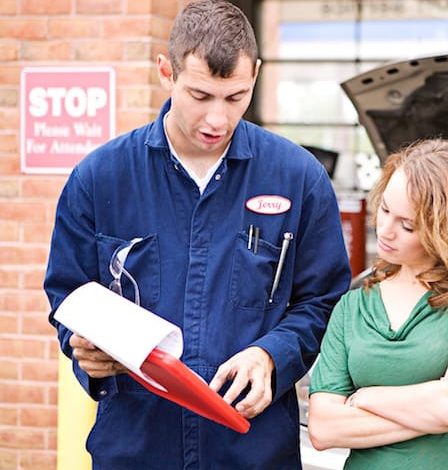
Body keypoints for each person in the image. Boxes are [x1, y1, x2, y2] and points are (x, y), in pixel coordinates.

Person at [44, 1, 351, 468]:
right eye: (201, 95)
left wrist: (272, 355)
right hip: (135, 448)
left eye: (235, 97)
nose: (217, 120)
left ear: (256, 75)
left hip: (254, 451)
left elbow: (324, 300)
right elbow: (68, 294)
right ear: (165, 72)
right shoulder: (99, 179)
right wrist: (83, 347)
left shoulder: (299, 179)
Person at [307, 138, 448, 469]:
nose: (384, 230)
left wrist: (371, 398)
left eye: (408, 225)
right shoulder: (354, 305)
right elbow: (324, 428)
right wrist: (435, 402)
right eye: (384, 209)